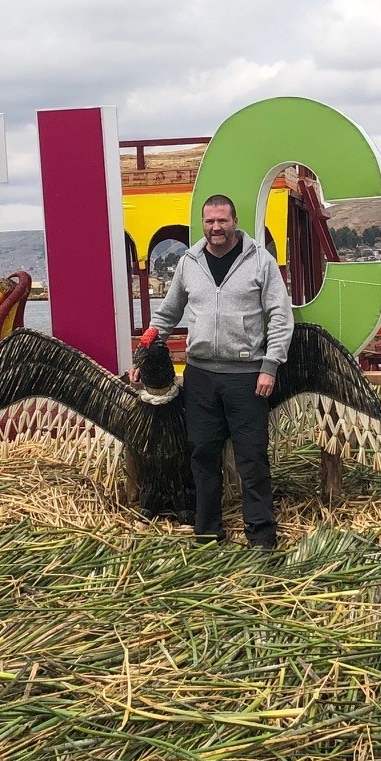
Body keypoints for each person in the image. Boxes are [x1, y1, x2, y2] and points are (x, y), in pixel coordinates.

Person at [137, 194, 293, 548]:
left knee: (251, 457)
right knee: (203, 455)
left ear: (234, 221)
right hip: (201, 376)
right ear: (202, 223)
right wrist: (143, 354)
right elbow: (166, 315)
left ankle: (262, 537)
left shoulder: (260, 262)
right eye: (209, 221)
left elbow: (281, 316)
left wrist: (270, 365)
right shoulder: (189, 262)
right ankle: (207, 533)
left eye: (222, 220)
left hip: (247, 377)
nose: (216, 227)